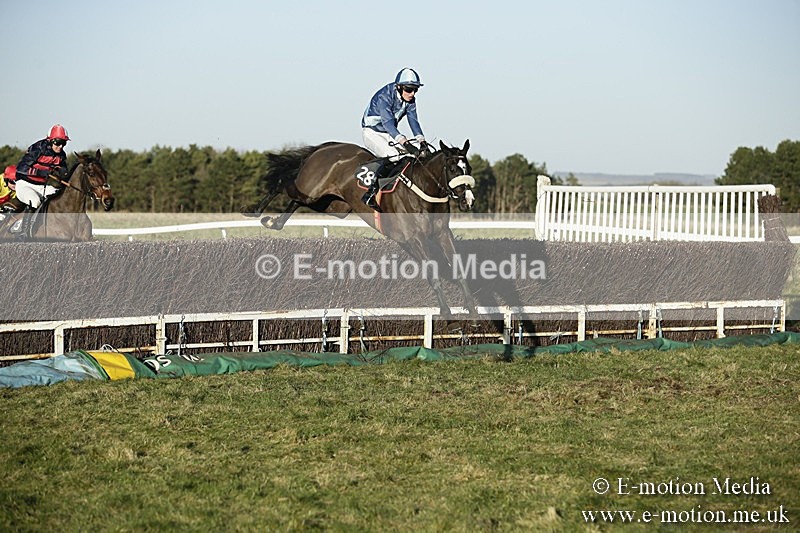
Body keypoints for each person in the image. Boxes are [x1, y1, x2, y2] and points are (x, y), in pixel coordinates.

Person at [360, 68, 429, 210]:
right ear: (398, 87)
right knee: (393, 156)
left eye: (415, 90)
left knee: (411, 157)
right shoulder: (384, 97)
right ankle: (370, 194)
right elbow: (388, 123)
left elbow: (413, 121)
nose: (412, 94)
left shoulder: (410, 100)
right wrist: (405, 142)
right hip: (372, 132)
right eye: (409, 89)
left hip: (388, 133)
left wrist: (422, 141)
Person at [12, 124, 70, 238]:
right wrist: (41, 173)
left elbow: (63, 172)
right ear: (50, 140)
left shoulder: (61, 155)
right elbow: (21, 169)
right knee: (34, 201)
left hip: (41, 186)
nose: (60, 147)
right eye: (58, 142)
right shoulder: (37, 148)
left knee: (58, 195)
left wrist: (63, 173)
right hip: (25, 184)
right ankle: (24, 233)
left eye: (64, 143)